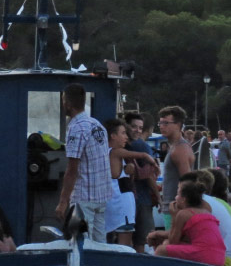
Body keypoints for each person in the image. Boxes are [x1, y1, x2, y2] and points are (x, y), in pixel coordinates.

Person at [56, 84, 111, 242]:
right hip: (101, 196)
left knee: (80, 245)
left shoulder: (77, 129)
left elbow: (72, 169)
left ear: (67, 103)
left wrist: (63, 201)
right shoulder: (97, 125)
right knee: (100, 247)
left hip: (83, 199)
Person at [149, 180, 225, 266]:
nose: (175, 197)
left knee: (161, 250)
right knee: (166, 243)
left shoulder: (183, 214)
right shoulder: (206, 211)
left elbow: (173, 241)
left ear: (183, 200)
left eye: (177, 194)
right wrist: (157, 234)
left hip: (205, 253)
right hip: (220, 257)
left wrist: (174, 215)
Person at [124, 113, 161, 253]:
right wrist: (158, 196)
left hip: (125, 199)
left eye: (140, 128)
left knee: (125, 238)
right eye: (134, 127)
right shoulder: (141, 145)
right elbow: (149, 175)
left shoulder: (120, 147)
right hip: (141, 199)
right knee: (142, 240)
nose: (137, 131)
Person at [158, 106, 194, 230]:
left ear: (178, 124)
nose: (162, 126)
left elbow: (187, 182)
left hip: (176, 211)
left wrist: (180, 210)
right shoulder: (174, 147)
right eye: (160, 123)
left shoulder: (180, 149)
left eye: (166, 123)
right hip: (171, 207)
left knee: (174, 247)